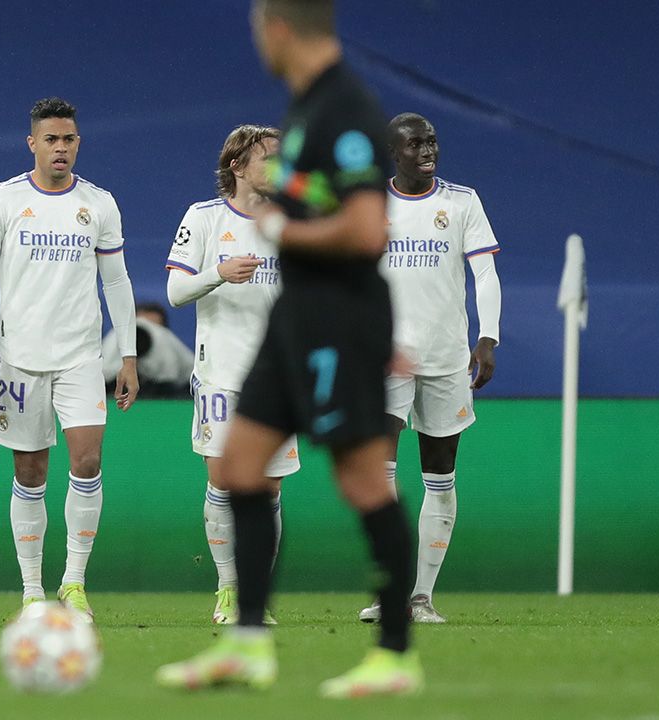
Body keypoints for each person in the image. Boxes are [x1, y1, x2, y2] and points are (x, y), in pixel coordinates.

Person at [158, 0, 423, 697]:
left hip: (337, 320)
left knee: (364, 481)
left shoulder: (345, 110)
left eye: (256, 31)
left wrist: (283, 234)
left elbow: (367, 231)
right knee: (239, 468)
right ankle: (248, 643)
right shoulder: (305, 111)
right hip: (294, 320)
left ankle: (395, 653)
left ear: (279, 29)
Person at [0, 97, 140, 619]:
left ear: (78, 143)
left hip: (81, 357)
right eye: (51, 140)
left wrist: (127, 354)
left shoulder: (99, 204)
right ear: (32, 143)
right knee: (31, 472)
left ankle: (74, 582)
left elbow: (117, 281)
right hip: (19, 359)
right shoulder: (2, 200)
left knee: (87, 460)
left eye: (69, 140)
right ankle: (32, 586)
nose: (61, 148)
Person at [357, 112, 501, 624]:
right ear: (393, 152)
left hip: (445, 357)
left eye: (432, 141)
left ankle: (422, 595)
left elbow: (485, 272)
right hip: (386, 355)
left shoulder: (461, 201)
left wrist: (488, 337)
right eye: (415, 143)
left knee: (439, 474)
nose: (427, 149)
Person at [163, 124, 300, 624]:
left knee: (268, 489)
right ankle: (227, 588)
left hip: (278, 374)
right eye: (268, 159)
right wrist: (219, 272)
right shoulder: (204, 218)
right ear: (238, 165)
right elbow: (176, 292)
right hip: (220, 371)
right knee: (223, 481)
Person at [100, 302, 193, 397]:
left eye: (154, 326)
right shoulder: (111, 348)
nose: (147, 328)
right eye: (139, 322)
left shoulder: (169, 351)